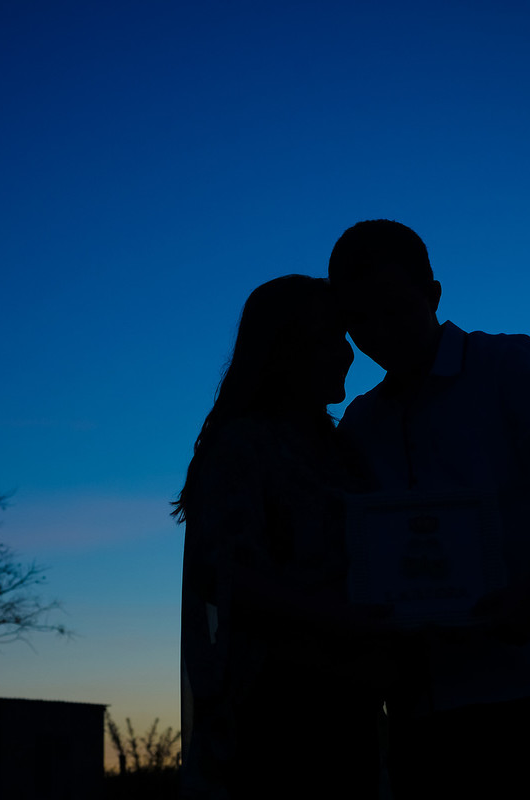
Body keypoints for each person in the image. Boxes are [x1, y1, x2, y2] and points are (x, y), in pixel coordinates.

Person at [328, 219, 530, 800]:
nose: (379, 332)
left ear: (433, 296)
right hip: (424, 714)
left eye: (394, 310)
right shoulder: (361, 423)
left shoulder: (506, 365)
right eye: (359, 319)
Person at [173, 274, 385, 799]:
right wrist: (340, 614)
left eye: (344, 338)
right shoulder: (244, 443)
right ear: (282, 350)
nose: (344, 354)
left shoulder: (341, 448)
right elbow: (218, 574)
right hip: (275, 701)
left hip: (350, 695)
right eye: (324, 340)